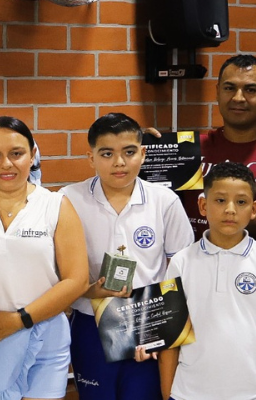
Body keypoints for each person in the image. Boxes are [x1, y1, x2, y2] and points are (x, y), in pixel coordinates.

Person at [0, 116, 88, 400]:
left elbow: (77, 279)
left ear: (33, 154)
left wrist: (21, 319)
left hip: (45, 332)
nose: (6, 164)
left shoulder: (55, 205)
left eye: (16, 153)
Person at [60, 113, 194, 400]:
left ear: (143, 153)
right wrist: (89, 291)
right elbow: (59, 270)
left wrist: (165, 329)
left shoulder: (165, 201)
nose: (119, 162)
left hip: (149, 323)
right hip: (90, 322)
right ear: (90, 157)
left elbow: (183, 270)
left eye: (129, 152)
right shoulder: (68, 199)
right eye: (107, 153)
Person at [157, 162, 256, 400]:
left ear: (254, 209)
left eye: (241, 202)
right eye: (220, 200)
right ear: (203, 205)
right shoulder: (181, 262)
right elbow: (171, 335)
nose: (230, 209)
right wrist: (169, 393)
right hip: (188, 394)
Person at [179, 54, 256, 252]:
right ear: (217, 92)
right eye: (229, 88)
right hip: (196, 272)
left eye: (250, 90)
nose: (238, 98)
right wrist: (141, 145)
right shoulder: (189, 150)